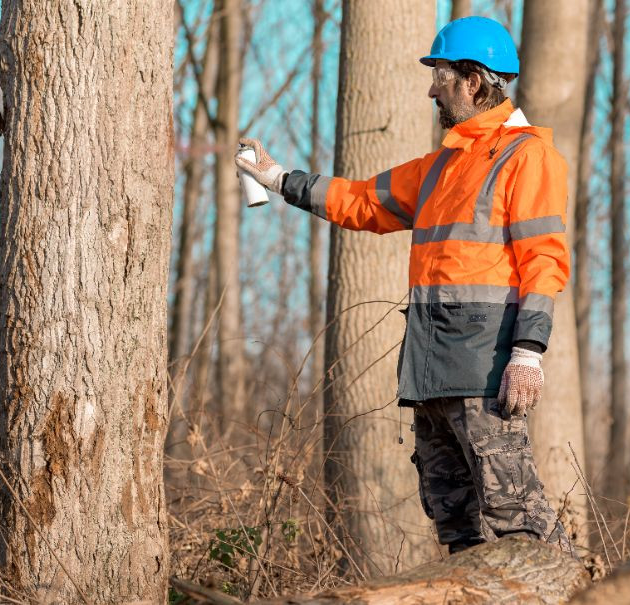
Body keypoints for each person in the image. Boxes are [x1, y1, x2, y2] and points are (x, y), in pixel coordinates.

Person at [235, 16, 572, 555]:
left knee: (520, 524)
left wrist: (528, 352)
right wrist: (279, 180)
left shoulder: (527, 157)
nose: (431, 88)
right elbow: (364, 201)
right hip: (429, 370)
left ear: (474, 81)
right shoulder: (440, 167)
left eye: (440, 76)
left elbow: (544, 259)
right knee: (455, 527)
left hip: (486, 374)